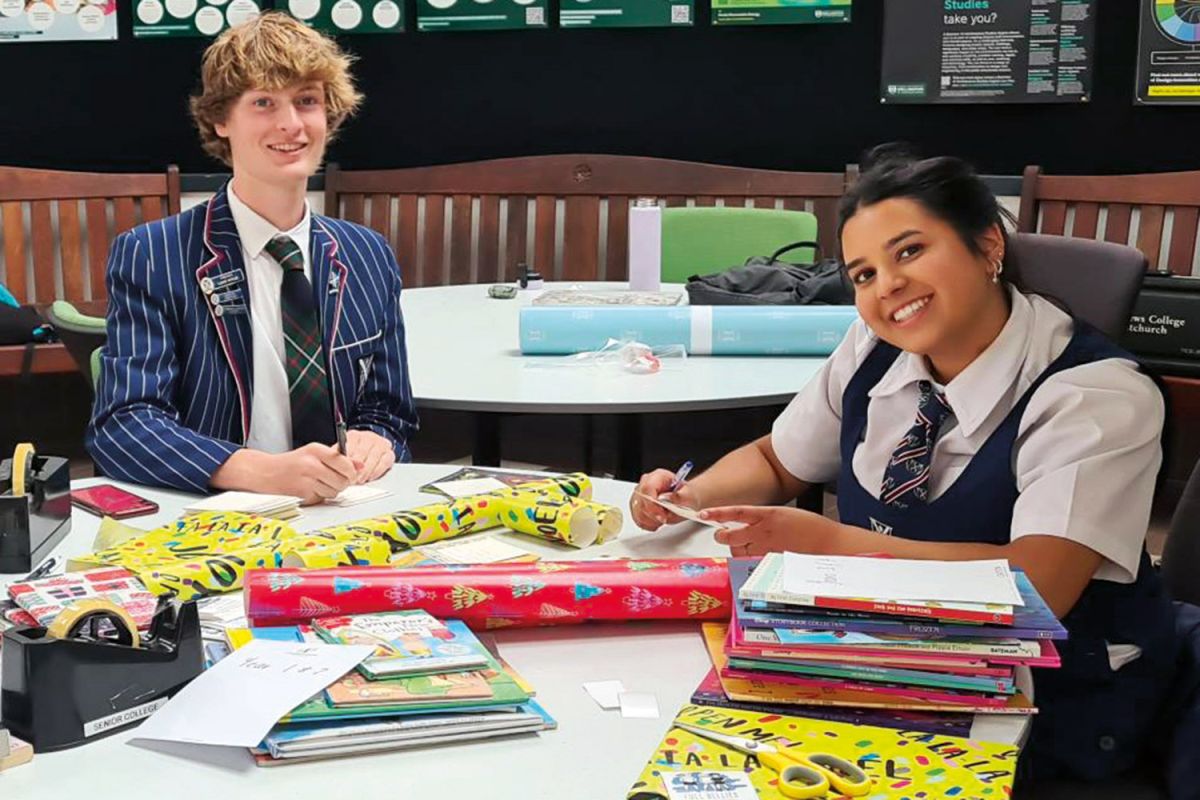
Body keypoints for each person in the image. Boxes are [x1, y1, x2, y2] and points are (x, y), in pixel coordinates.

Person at [630, 147, 1178, 784]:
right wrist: (691, 495)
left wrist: (832, 545)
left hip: (1047, 695)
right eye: (862, 274)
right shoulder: (875, 348)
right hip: (883, 658)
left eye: (910, 252)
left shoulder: (1094, 396)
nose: (886, 286)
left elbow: (1039, 586)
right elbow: (777, 460)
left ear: (989, 244)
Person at [86, 13, 417, 504]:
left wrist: (376, 441)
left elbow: (389, 410)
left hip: (348, 514)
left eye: (307, 101)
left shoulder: (368, 255)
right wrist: (262, 472)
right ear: (221, 119)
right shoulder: (152, 254)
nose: (291, 124)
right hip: (219, 521)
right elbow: (125, 424)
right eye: (264, 103)